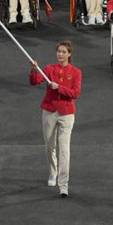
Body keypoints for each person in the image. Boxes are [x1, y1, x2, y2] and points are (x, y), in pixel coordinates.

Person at [30, 40, 82, 197]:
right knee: (49, 146)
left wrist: (58, 87)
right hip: (49, 111)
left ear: (69, 54)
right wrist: (33, 71)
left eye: (63, 52)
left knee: (64, 149)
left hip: (67, 113)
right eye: (58, 51)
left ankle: (63, 184)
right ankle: (53, 172)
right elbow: (34, 82)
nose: (60, 54)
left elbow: (75, 93)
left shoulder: (76, 72)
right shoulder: (48, 69)